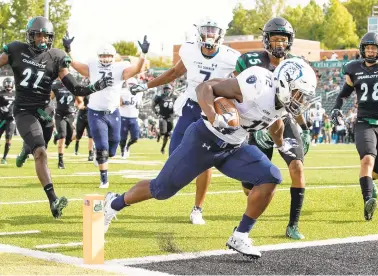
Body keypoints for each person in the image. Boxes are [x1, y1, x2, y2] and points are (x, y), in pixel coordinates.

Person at [103, 57, 316, 258]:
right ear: (285, 82)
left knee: (270, 176)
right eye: (299, 93)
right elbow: (205, 88)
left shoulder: (281, 102)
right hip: (203, 139)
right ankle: (114, 203)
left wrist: (281, 145)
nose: (301, 100)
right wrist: (214, 116)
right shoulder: (258, 83)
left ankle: (240, 235)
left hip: (232, 148)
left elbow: (276, 123)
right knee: (161, 190)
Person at [129, 18, 240, 224]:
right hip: (190, 107)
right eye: (206, 30)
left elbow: (243, 83)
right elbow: (173, 73)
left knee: (205, 161)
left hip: (213, 111)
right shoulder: (189, 51)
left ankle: (197, 208)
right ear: (199, 33)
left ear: (220, 34)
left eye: (213, 31)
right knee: (175, 157)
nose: (209, 35)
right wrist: (146, 86)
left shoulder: (231, 57)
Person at [0, 16, 113, 218]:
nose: (42, 39)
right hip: (24, 111)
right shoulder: (16, 50)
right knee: (41, 152)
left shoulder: (55, 57)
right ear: (30, 35)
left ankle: (27, 147)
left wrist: (94, 87)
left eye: (46, 36)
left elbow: (74, 87)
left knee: (39, 144)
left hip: (46, 112)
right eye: (39, 35)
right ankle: (53, 200)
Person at [230, 17, 312, 239]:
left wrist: (304, 128)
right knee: (250, 186)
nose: (279, 44)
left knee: (297, 167)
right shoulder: (249, 60)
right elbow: (234, 92)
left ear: (290, 41)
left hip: (283, 119)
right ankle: (248, 221)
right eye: (275, 39)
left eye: (283, 40)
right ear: (266, 40)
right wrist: (244, 126)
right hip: (257, 121)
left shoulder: (296, 64)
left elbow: (296, 100)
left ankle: (293, 225)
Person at [63, 34, 150, 188]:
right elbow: (75, 64)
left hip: (114, 112)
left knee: (113, 148)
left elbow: (137, 69)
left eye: (108, 56)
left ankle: (101, 155)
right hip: (95, 112)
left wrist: (143, 54)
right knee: (103, 148)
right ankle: (104, 179)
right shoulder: (93, 65)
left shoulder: (120, 67)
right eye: (103, 56)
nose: (105, 59)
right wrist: (68, 49)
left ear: (113, 57)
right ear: (99, 57)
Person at [331, 32, 378, 221]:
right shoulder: (353, 68)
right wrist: (336, 108)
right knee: (366, 160)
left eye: (374, 48)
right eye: (367, 48)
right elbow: (344, 94)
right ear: (362, 49)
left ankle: (371, 184)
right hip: (364, 123)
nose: (370, 51)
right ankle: (367, 201)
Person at [50, 79, 77, 169]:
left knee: (74, 135)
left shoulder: (73, 85)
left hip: (70, 114)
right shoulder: (56, 85)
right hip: (59, 114)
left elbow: (80, 101)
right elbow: (49, 98)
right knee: (63, 136)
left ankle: (58, 136)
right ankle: (60, 161)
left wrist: (76, 108)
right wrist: (49, 109)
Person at [119, 78, 143, 158]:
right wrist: (120, 101)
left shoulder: (139, 93)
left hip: (134, 117)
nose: (132, 86)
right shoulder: (122, 92)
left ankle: (127, 146)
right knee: (122, 138)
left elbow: (140, 103)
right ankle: (122, 150)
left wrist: (140, 105)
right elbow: (118, 103)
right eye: (131, 84)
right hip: (123, 117)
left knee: (135, 138)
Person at [152, 84, 177, 154]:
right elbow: (152, 106)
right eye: (166, 89)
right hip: (162, 116)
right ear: (163, 90)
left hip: (170, 117)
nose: (167, 90)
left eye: (168, 89)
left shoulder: (174, 97)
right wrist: (157, 113)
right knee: (163, 132)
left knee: (167, 134)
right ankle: (159, 134)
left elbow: (180, 103)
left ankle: (162, 148)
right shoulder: (159, 97)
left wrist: (176, 113)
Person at [74, 77, 94, 161]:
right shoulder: (83, 92)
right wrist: (82, 106)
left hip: (91, 115)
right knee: (78, 135)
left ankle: (91, 154)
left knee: (91, 136)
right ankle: (76, 145)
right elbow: (77, 103)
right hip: (82, 115)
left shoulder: (95, 92)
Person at [0, 77, 16, 164]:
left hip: (11, 119)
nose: (9, 85)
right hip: (1, 119)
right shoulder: (1, 93)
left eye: (10, 83)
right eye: (7, 83)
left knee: (8, 137)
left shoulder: (16, 94)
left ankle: (4, 158)